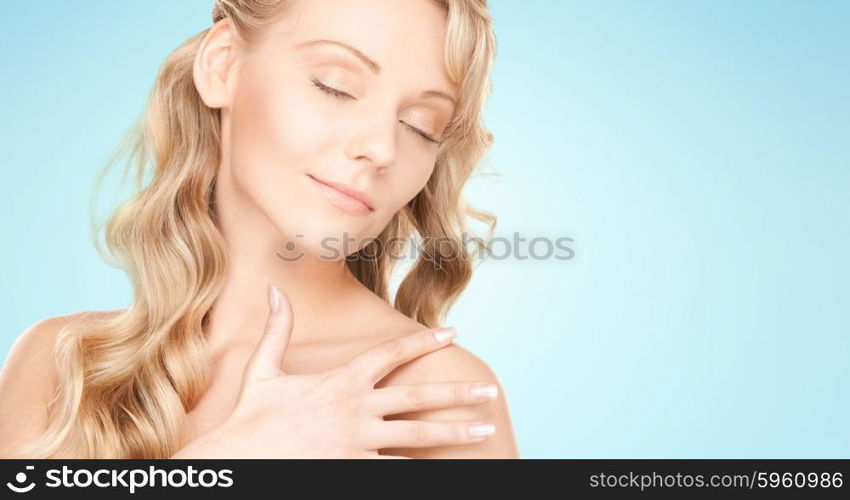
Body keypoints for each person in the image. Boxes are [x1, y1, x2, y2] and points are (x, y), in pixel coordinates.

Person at [0, 0, 519, 459]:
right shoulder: (61, 363)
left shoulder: (432, 396)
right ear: (223, 63)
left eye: (420, 126)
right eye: (334, 86)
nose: (381, 148)